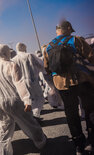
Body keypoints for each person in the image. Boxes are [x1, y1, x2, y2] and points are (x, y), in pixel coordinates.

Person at [44, 20, 94, 154]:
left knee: (71, 114)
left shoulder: (48, 46)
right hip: (82, 80)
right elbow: (91, 57)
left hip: (62, 84)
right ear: (68, 29)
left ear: (57, 30)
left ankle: (78, 144)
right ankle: (91, 141)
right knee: (89, 110)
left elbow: (47, 68)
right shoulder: (76, 40)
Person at [0, 44, 46, 155]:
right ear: (7, 53)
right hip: (15, 100)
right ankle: (41, 142)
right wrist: (27, 100)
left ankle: (4, 152)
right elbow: (19, 83)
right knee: (29, 123)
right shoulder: (12, 65)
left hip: (2, 102)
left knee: (3, 130)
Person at [12, 43, 45, 120]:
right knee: (39, 98)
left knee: (28, 100)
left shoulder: (14, 59)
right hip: (32, 80)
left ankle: (31, 116)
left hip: (21, 83)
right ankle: (35, 115)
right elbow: (40, 64)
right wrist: (44, 71)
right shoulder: (29, 55)